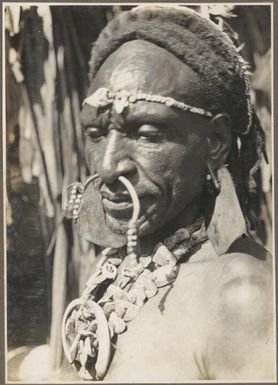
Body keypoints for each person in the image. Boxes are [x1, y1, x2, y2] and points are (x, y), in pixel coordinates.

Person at [59, 4, 273, 382]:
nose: (107, 167)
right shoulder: (117, 268)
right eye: (96, 134)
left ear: (215, 143)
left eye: (146, 133)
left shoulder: (242, 295)